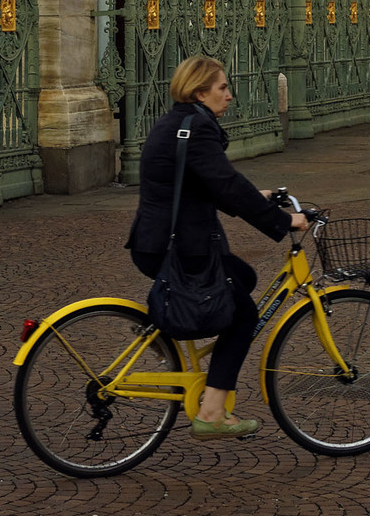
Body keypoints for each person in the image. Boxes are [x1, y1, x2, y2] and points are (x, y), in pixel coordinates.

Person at [127, 55, 307, 440]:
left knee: (243, 277)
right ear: (199, 93)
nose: (229, 95)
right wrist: (282, 221)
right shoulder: (197, 128)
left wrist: (257, 196)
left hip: (157, 241)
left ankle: (163, 335)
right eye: (222, 88)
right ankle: (211, 413)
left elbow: (204, 181)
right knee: (243, 316)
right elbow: (225, 183)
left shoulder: (178, 122)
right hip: (180, 248)